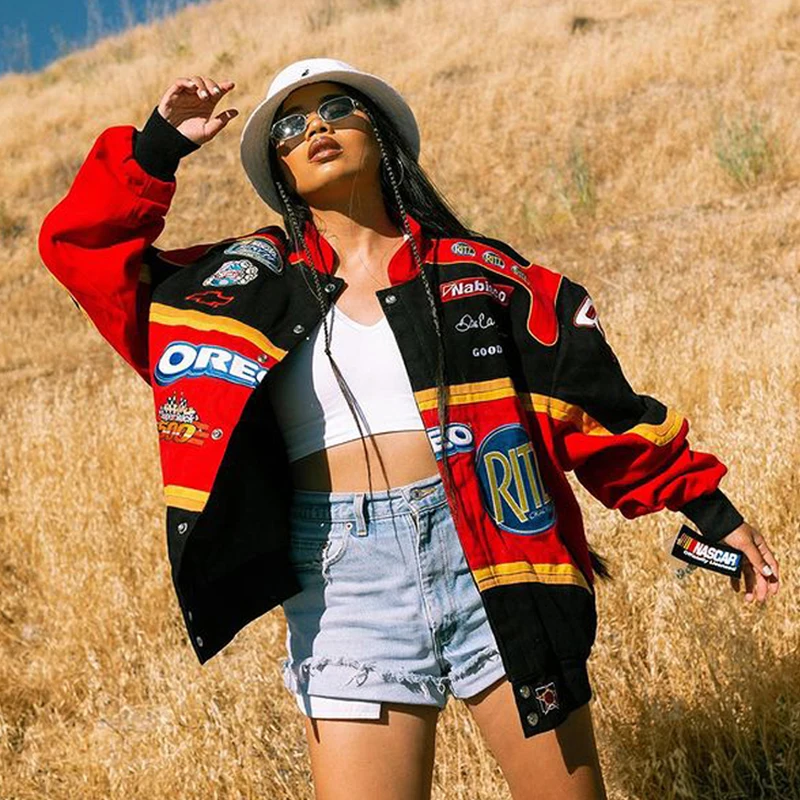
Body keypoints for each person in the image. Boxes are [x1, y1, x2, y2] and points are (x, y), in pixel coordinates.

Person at [38, 58, 780, 800]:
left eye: (337, 109)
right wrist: (158, 146)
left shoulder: (482, 272)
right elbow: (83, 255)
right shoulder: (241, 284)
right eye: (290, 126)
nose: (315, 128)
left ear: (381, 133)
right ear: (279, 167)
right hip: (343, 581)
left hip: (495, 549)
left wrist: (711, 510)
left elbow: (596, 406)